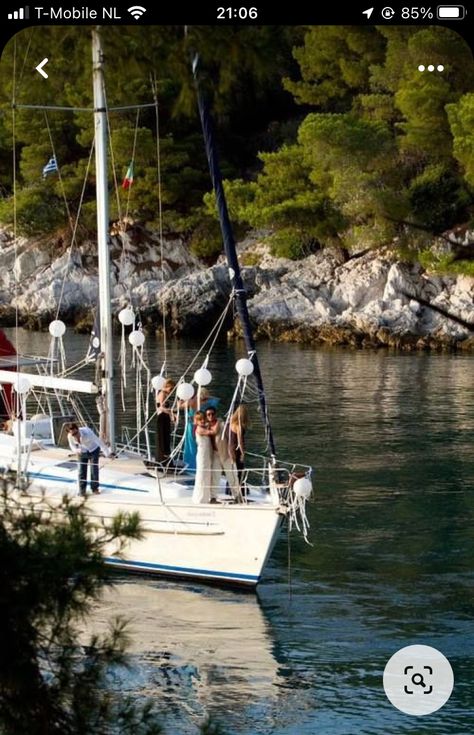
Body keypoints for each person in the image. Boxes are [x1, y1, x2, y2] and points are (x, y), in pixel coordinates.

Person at [206, 407, 242, 502]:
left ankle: (237, 496)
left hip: (226, 454)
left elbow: (231, 439)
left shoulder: (223, 425)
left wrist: (234, 452)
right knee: (215, 476)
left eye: (212, 414)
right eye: (208, 414)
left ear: (216, 414)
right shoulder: (206, 427)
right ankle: (213, 497)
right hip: (215, 454)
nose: (211, 416)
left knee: (232, 476)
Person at [66, 422, 111, 496]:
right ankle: (82, 491)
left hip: (93, 450)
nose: (75, 435)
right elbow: (72, 445)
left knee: (94, 470)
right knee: (81, 471)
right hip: (82, 452)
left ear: (77, 429)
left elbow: (98, 441)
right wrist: (76, 450)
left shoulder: (87, 432)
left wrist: (107, 453)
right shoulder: (70, 436)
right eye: (73, 434)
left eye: (76, 433)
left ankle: (95, 489)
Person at [182, 387, 219, 473]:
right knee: (199, 445)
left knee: (191, 446)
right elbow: (216, 399)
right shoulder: (209, 402)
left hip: (192, 425)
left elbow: (180, 406)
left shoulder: (193, 401)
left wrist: (181, 401)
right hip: (203, 425)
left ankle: (190, 466)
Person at [191, 411, 214, 504]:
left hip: (207, 454)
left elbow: (208, 425)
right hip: (202, 455)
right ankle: (200, 498)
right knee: (202, 474)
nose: (202, 421)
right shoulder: (199, 429)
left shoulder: (203, 426)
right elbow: (212, 432)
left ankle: (205, 496)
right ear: (196, 421)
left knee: (207, 474)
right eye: (200, 419)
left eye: (203, 418)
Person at [229, 405, 249, 493]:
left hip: (230, 447)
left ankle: (230, 489)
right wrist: (243, 453)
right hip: (236, 449)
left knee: (233, 469)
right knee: (239, 469)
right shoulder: (239, 426)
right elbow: (240, 441)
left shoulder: (231, 422)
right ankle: (240, 490)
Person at [155, 378, 176, 463]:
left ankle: (166, 458)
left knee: (166, 439)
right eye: (171, 389)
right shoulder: (162, 394)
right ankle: (162, 459)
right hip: (162, 418)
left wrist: (172, 415)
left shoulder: (166, 394)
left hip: (165, 417)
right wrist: (172, 412)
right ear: (167, 386)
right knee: (162, 439)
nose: (171, 391)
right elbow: (160, 407)